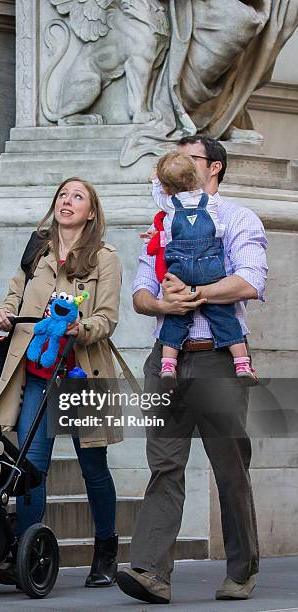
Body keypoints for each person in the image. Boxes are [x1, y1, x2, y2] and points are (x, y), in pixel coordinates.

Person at [117, 136, 268, 604]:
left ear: (214, 168)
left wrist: (197, 294)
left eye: (190, 158)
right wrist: (162, 302)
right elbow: (141, 293)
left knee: (229, 469)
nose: (178, 165)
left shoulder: (238, 218)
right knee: (164, 466)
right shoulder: (162, 223)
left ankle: (241, 570)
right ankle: (149, 571)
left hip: (218, 357)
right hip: (167, 360)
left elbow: (250, 280)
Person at [0, 177, 123, 588]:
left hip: (83, 376)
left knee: (93, 467)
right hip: (38, 375)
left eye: (78, 197)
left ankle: (106, 552)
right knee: (30, 469)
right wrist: (4, 314)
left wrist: (81, 328)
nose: (68, 201)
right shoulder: (38, 249)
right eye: (63, 195)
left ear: (91, 212)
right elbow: (15, 296)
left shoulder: (104, 257)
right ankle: (27, 555)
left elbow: (108, 317)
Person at [150, 151, 257, 386]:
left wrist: (156, 180)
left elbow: (157, 194)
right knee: (225, 315)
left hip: (179, 268)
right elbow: (217, 231)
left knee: (176, 316)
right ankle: (242, 363)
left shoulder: (170, 206)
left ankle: (168, 364)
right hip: (208, 266)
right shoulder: (209, 203)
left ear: (168, 187)